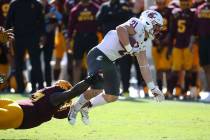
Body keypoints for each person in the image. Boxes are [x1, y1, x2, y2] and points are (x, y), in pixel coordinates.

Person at [68, 10, 165, 125]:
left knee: (113, 95)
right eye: (156, 26)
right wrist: (129, 49)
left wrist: (153, 88)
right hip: (98, 54)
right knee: (98, 87)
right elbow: (120, 29)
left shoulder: (143, 41)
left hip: (109, 61)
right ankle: (75, 107)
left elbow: (144, 65)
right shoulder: (137, 24)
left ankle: (86, 106)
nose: (158, 30)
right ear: (148, 22)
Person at [0, 73, 101, 129]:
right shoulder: (54, 98)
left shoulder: (45, 94)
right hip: (19, 114)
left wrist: (85, 103)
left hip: (13, 103)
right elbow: (73, 93)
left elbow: (67, 107)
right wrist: (90, 80)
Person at [6, 0, 45, 93]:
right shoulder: (14, 4)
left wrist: (42, 35)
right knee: (18, 64)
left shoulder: (37, 4)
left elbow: (41, 21)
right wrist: (8, 36)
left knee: (35, 63)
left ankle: (39, 87)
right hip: (18, 38)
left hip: (33, 38)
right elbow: (8, 22)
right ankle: (20, 88)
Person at [67, 0, 99, 84]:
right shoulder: (75, 10)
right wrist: (68, 41)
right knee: (77, 63)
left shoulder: (96, 8)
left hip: (92, 37)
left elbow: (100, 24)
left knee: (92, 62)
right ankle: (76, 87)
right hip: (79, 38)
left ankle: (94, 86)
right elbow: (70, 27)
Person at [150, 0, 173, 98]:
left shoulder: (170, 12)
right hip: (155, 44)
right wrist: (156, 40)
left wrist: (163, 42)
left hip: (166, 45)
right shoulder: (152, 13)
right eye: (158, 2)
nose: (160, 5)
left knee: (167, 69)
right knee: (158, 69)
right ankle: (159, 91)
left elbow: (171, 29)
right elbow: (149, 28)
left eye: (162, 2)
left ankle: (169, 91)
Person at [193, 0, 210, 92]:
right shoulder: (200, 8)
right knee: (206, 66)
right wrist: (193, 40)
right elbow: (195, 25)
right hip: (203, 40)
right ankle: (208, 89)